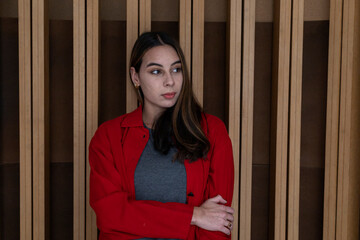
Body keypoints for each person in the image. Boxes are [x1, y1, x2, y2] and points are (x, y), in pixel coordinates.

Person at [89, 32, 235, 239]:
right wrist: (193, 215)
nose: (170, 81)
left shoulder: (212, 131)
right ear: (135, 76)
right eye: (156, 71)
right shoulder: (108, 137)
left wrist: (139, 213)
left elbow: (219, 221)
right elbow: (110, 215)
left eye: (176, 69)